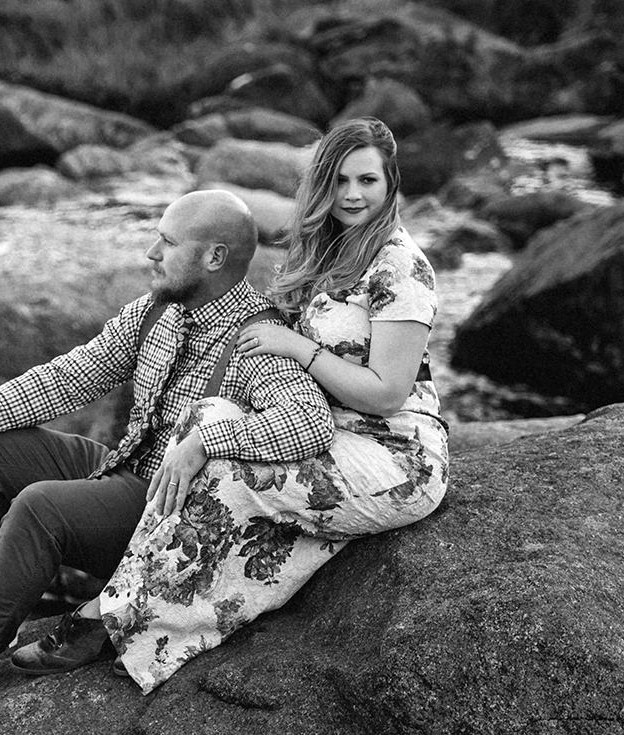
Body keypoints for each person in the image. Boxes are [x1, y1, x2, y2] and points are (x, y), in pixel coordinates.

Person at [0, 189, 335, 735]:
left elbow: (309, 423)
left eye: (165, 242)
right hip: (120, 468)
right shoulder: (156, 311)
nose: (148, 252)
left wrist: (206, 440)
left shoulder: (258, 341)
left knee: (40, 507)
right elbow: (70, 377)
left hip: (164, 516)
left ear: (214, 258)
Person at [97, 117, 450, 693]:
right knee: (203, 420)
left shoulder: (401, 267)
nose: (352, 195)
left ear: (391, 185)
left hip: (393, 455)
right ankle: (121, 601)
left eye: (368, 180)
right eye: (338, 181)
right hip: (325, 431)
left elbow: (387, 391)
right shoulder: (326, 252)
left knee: (229, 471)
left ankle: (151, 631)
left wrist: (300, 350)